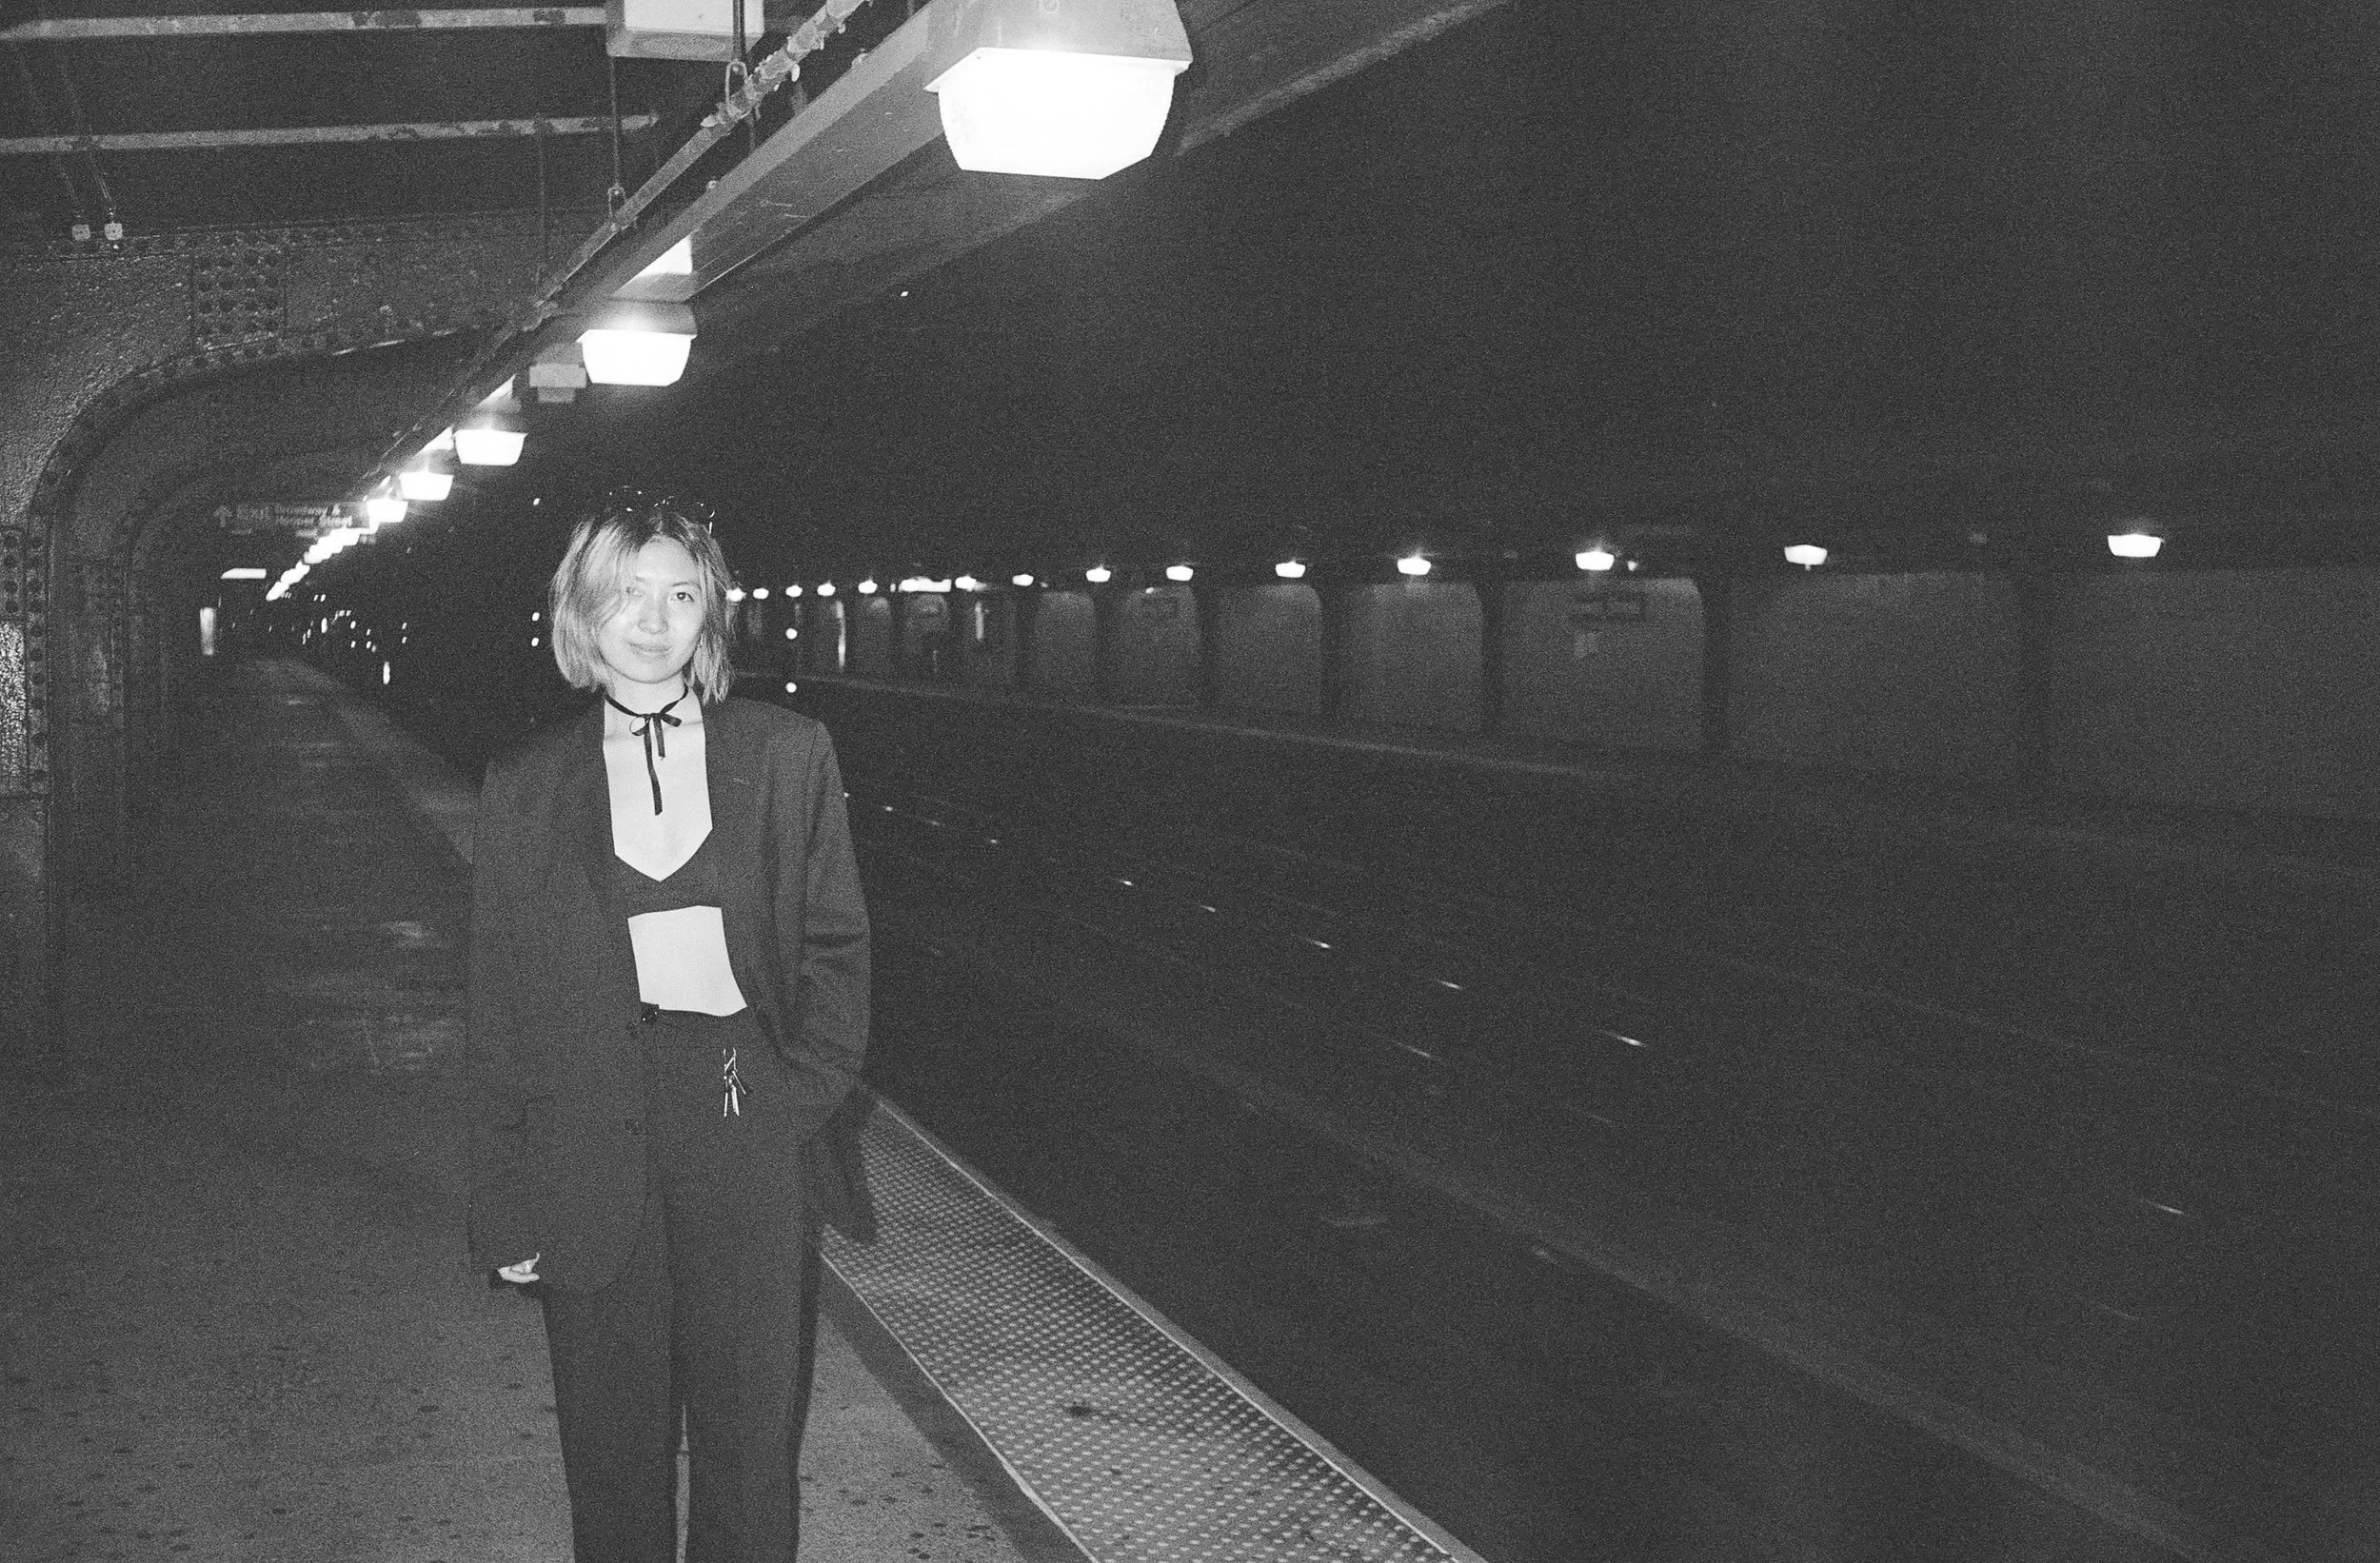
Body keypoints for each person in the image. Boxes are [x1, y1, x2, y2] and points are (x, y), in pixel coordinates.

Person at [463, 495, 871, 1562]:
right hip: (588, 1126)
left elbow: (836, 947)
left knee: (749, 1442)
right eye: (627, 594)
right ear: (581, 612)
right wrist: (504, 1196)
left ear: (709, 614)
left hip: (740, 1115)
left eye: (680, 595)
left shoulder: (786, 754)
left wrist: (793, 1097)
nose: (653, 621)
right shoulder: (528, 783)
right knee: (612, 1447)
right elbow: (501, 1001)